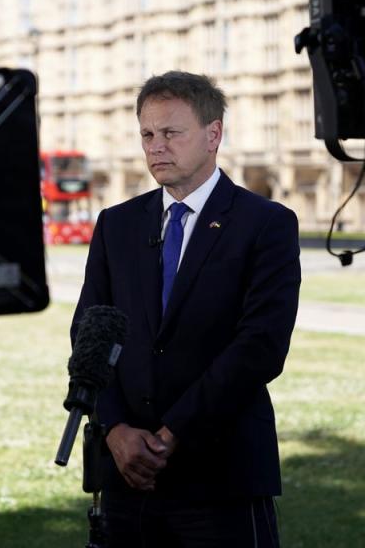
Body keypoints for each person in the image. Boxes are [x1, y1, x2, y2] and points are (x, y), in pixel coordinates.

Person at [70, 71, 301, 547]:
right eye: (148, 135)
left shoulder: (266, 224)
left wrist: (172, 434)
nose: (156, 147)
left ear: (213, 135)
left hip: (221, 477)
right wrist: (113, 430)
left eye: (171, 133)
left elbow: (261, 347)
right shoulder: (116, 224)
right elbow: (89, 332)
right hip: (125, 478)